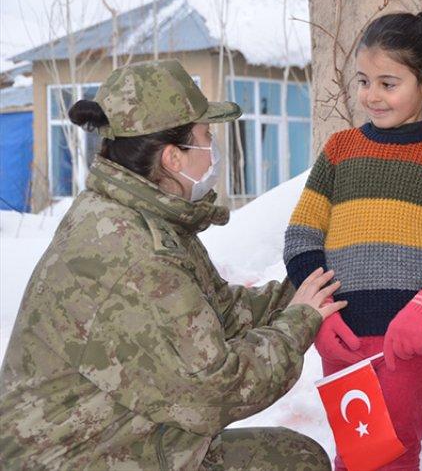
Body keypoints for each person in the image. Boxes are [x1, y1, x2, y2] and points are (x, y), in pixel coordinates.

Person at [0, 59, 344, 470]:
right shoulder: (134, 254)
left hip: (116, 436)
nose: (214, 149)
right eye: (206, 136)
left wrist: (303, 290)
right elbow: (217, 390)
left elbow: (217, 314)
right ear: (173, 159)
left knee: (293, 456)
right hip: (75, 457)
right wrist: (300, 322)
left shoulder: (137, 212)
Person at [283, 10, 422, 469]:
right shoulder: (340, 150)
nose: (371, 96)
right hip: (343, 337)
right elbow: (302, 235)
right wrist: (318, 314)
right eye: (363, 81)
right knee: (356, 456)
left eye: (387, 83)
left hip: (412, 340)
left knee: (393, 455)